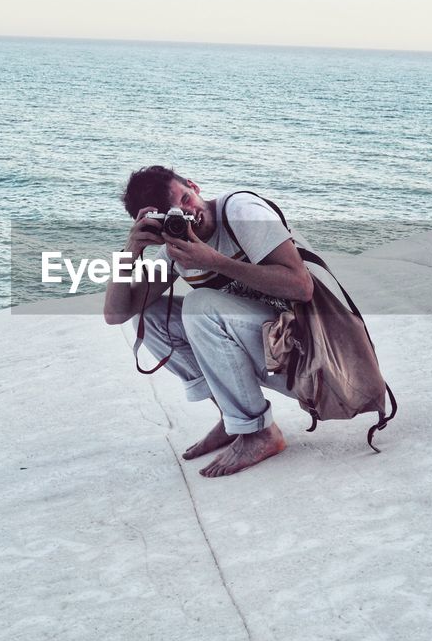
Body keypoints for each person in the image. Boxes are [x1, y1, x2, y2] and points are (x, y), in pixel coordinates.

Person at [103, 166, 315, 477]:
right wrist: (130, 252)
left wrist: (213, 261)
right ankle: (235, 419)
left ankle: (259, 433)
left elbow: (302, 286)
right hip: (266, 348)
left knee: (199, 305)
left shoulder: (241, 212)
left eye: (186, 199)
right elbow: (116, 314)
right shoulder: (177, 250)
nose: (190, 215)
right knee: (149, 316)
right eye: (174, 216)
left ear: (194, 185)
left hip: (306, 353)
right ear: (158, 226)